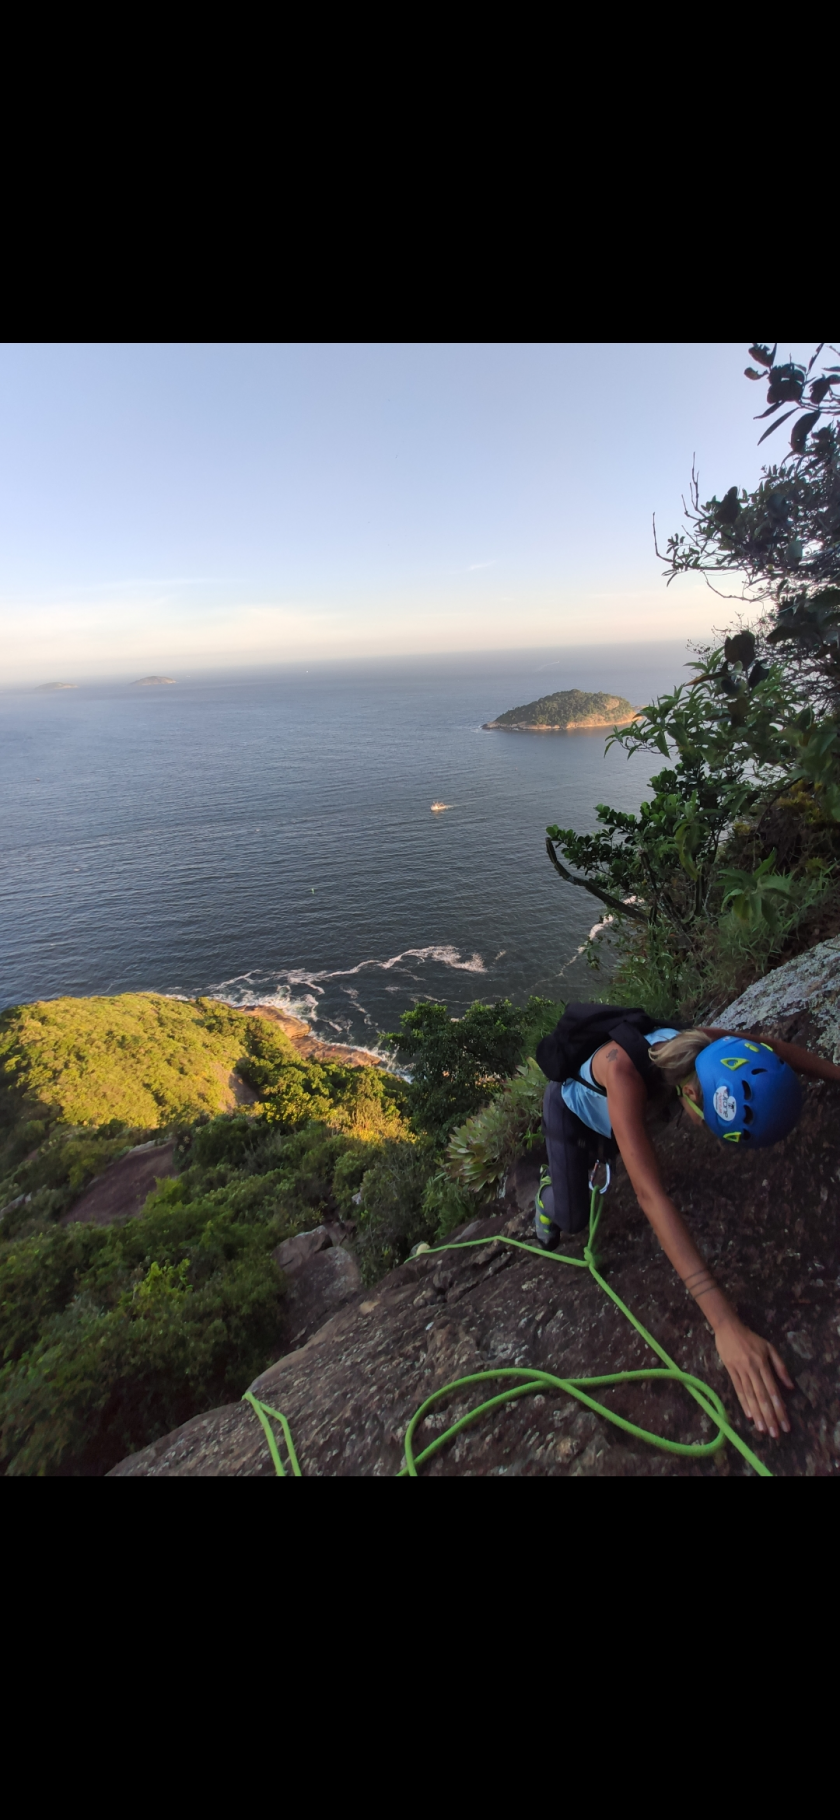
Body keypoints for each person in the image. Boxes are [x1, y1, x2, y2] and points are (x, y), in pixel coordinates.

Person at [534, 1012, 838, 1443]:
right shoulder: (623, 1073)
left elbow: (775, 1049)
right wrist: (725, 1325)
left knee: (631, 1141)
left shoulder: (706, 1046)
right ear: (692, 1093)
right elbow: (651, 1197)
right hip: (574, 1110)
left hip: (622, 1110)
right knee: (572, 1218)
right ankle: (546, 1197)